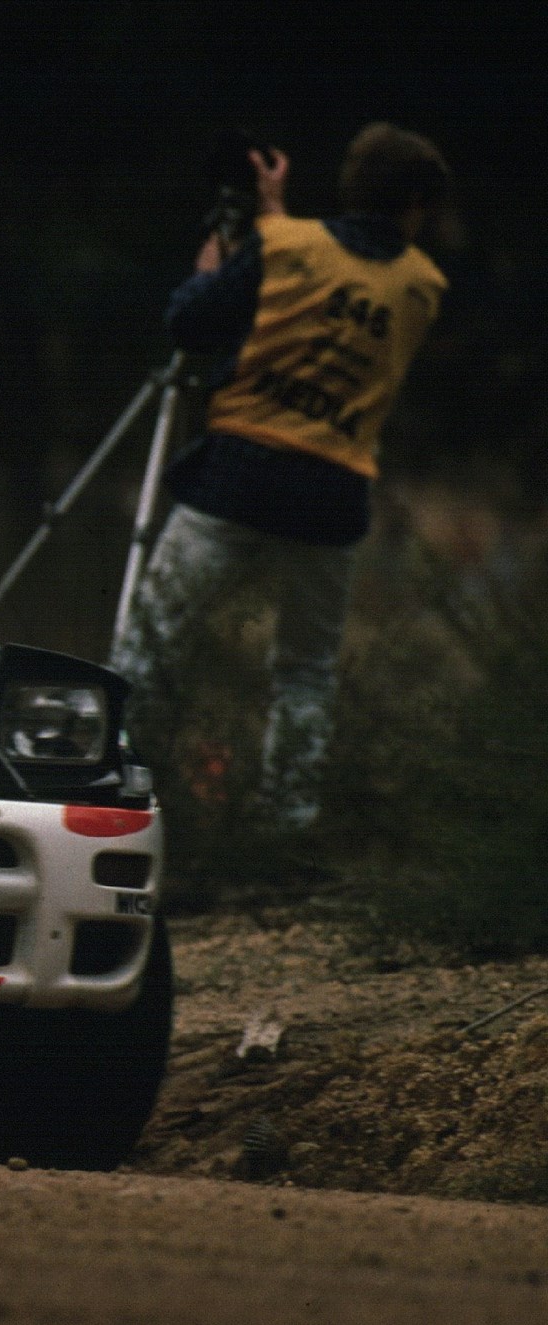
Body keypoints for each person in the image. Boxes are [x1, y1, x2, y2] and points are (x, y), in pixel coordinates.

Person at [112, 123, 452, 832]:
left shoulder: (286, 245)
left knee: (153, 638)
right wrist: (273, 217)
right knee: (306, 669)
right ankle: (288, 818)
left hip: (240, 474)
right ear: (416, 205)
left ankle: (125, 789)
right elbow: (336, 284)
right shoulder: (422, 286)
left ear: (349, 184)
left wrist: (215, 267)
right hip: (332, 493)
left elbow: (191, 324)